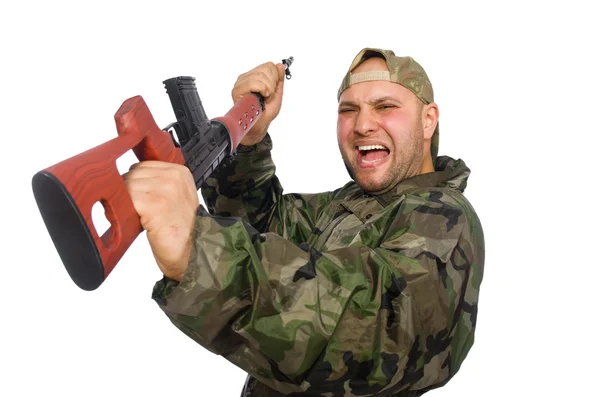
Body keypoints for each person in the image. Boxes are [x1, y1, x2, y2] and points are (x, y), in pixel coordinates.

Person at [123, 47, 485, 396]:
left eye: (385, 106)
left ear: (428, 120)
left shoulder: (445, 218)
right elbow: (264, 226)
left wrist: (198, 248)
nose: (362, 125)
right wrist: (250, 140)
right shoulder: (349, 204)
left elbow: (373, 327)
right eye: (348, 110)